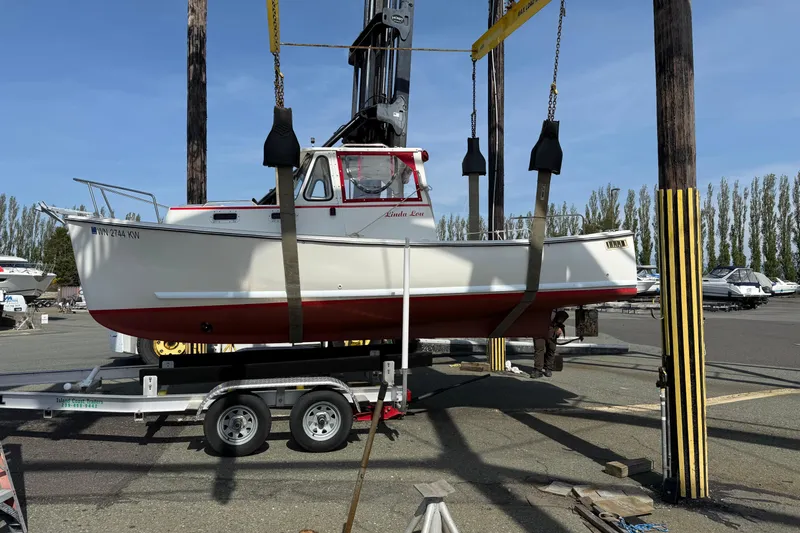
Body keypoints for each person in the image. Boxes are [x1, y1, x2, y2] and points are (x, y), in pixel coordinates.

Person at [530, 310, 569, 378]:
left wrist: (559, 326)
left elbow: (561, 312)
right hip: (538, 325)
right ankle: (538, 369)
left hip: (553, 326)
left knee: (551, 348)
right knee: (539, 348)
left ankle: (548, 368)